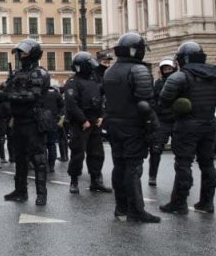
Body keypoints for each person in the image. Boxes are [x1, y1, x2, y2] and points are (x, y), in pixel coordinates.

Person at [158, 41, 216, 214]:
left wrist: (180, 105)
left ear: (184, 59)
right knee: (207, 164)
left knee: (183, 164)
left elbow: (163, 101)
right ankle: (207, 202)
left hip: (186, 126)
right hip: (209, 124)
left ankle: (179, 203)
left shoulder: (179, 77)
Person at [102, 33, 160, 223]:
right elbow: (145, 104)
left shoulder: (109, 71)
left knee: (119, 166)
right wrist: (153, 126)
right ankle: (136, 210)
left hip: (113, 125)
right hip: (133, 126)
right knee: (133, 167)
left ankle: (121, 207)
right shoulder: (138, 70)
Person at [0, 39, 51, 206]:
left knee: (38, 159)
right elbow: (5, 89)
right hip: (18, 120)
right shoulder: (15, 73)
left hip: (33, 120)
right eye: (20, 52)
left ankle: (41, 194)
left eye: (25, 52)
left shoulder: (39, 73)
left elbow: (32, 96)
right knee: (19, 157)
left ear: (34, 54)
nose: (21, 55)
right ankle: (20, 190)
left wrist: (8, 96)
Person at [64, 51, 112, 195]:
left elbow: (103, 99)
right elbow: (71, 104)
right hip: (80, 123)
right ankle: (74, 181)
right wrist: (83, 120)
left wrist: (102, 116)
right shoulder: (73, 82)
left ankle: (96, 181)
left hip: (95, 121)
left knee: (97, 153)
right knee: (78, 154)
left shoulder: (95, 81)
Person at [148, 58, 177, 186]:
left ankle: (181, 177)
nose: (167, 71)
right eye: (165, 69)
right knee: (155, 149)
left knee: (182, 151)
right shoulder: (158, 84)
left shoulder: (180, 82)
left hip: (177, 120)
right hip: (162, 120)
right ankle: (152, 176)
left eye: (169, 69)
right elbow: (152, 100)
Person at [41, 81, 65, 174]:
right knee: (52, 144)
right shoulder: (57, 94)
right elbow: (62, 107)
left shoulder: (40, 94)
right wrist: (59, 118)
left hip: (42, 122)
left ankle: (45, 165)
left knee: (43, 145)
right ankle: (51, 166)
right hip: (53, 121)